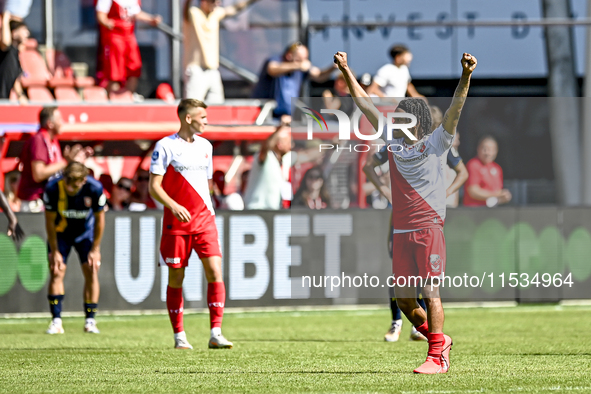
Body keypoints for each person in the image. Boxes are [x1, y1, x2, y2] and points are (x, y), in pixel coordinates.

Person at [334, 50, 477, 374]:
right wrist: (345, 70)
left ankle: (436, 357)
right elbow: (364, 103)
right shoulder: (393, 143)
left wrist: (466, 75)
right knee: (404, 301)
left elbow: (456, 107)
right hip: (401, 230)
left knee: (429, 292)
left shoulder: (438, 142)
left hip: (428, 227)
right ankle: (440, 341)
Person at [363, 107, 469, 342]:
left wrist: (445, 193)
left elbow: (463, 172)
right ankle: (397, 321)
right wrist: (386, 192)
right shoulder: (395, 143)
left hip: (428, 217)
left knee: (428, 283)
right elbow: (368, 166)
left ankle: (429, 338)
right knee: (401, 280)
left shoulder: (439, 144)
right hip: (401, 218)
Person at [149, 99, 232, 350]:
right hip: (177, 223)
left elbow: (205, 185)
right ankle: (179, 336)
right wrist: (174, 206)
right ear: (188, 118)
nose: (206, 121)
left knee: (215, 272)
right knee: (177, 276)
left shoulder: (206, 146)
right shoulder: (165, 146)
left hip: (205, 220)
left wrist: (207, 207)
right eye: (202, 117)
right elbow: (154, 186)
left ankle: (216, 333)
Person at [43, 162, 106, 335]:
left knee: (91, 270)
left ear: (84, 180)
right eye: (68, 184)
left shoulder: (95, 188)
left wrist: (95, 249)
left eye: (75, 185)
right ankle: (56, 321)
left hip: (85, 234)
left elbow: (100, 220)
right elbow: (49, 221)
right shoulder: (52, 189)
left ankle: (90, 321)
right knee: (57, 270)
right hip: (60, 233)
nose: (71, 189)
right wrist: (54, 251)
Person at [17, 107, 93, 212]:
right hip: (35, 202)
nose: (63, 122)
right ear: (50, 123)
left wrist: (75, 161)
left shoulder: (53, 141)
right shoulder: (38, 140)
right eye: (59, 119)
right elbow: (38, 174)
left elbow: (57, 171)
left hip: (47, 199)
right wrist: (66, 161)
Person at [183, 0, 260, 103]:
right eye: (213, 1)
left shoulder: (215, 14)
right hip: (196, 69)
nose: (216, 4)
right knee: (192, 107)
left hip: (213, 70)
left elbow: (235, 9)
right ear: (203, 2)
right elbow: (185, 12)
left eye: (219, 2)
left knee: (217, 107)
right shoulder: (194, 13)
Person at [252, 42, 335, 123]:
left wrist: (333, 67)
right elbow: (272, 69)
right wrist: (298, 65)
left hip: (286, 118)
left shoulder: (301, 70)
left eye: (305, 59)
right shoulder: (276, 61)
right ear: (289, 56)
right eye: (299, 59)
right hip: (264, 116)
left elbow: (319, 75)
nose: (304, 62)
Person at [96, 0, 161, 97]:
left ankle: (128, 96)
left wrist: (151, 19)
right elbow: (101, 15)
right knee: (115, 72)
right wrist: (107, 22)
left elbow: (136, 13)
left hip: (129, 36)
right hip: (115, 36)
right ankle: (114, 99)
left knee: (134, 68)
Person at [243, 124, 291, 210]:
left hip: (272, 210)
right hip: (256, 208)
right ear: (279, 144)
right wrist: (278, 130)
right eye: (288, 142)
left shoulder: (283, 161)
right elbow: (265, 147)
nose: (291, 146)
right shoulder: (266, 157)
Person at [464, 136, 512, 207]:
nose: (488, 153)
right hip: (474, 210)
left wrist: (504, 197)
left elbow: (497, 192)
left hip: (491, 211)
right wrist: (498, 194)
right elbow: (473, 191)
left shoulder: (497, 168)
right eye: (484, 149)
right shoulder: (473, 165)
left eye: (491, 149)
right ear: (478, 149)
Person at [0, 11, 28, 104]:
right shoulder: (4, 50)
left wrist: (20, 95)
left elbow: (15, 78)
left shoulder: (15, 54)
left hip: (3, 99)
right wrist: (6, 17)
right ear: (14, 33)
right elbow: (5, 42)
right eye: (23, 30)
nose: (27, 33)